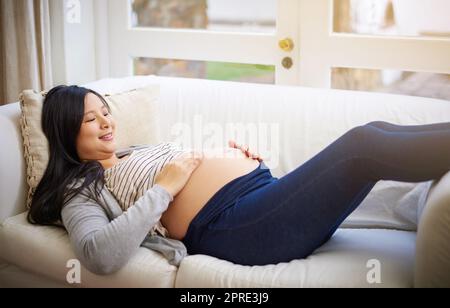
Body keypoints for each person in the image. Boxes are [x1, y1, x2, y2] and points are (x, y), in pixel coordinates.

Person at [28, 85, 450, 275]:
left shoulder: (130, 153)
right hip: (236, 228)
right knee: (362, 146)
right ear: (67, 131)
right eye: (90, 117)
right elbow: (99, 255)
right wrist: (167, 186)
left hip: (258, 199)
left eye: (105, 111)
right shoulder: (80, 192)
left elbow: (192, 174)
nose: (105, 122)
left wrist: (235, 161)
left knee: (372, 132)